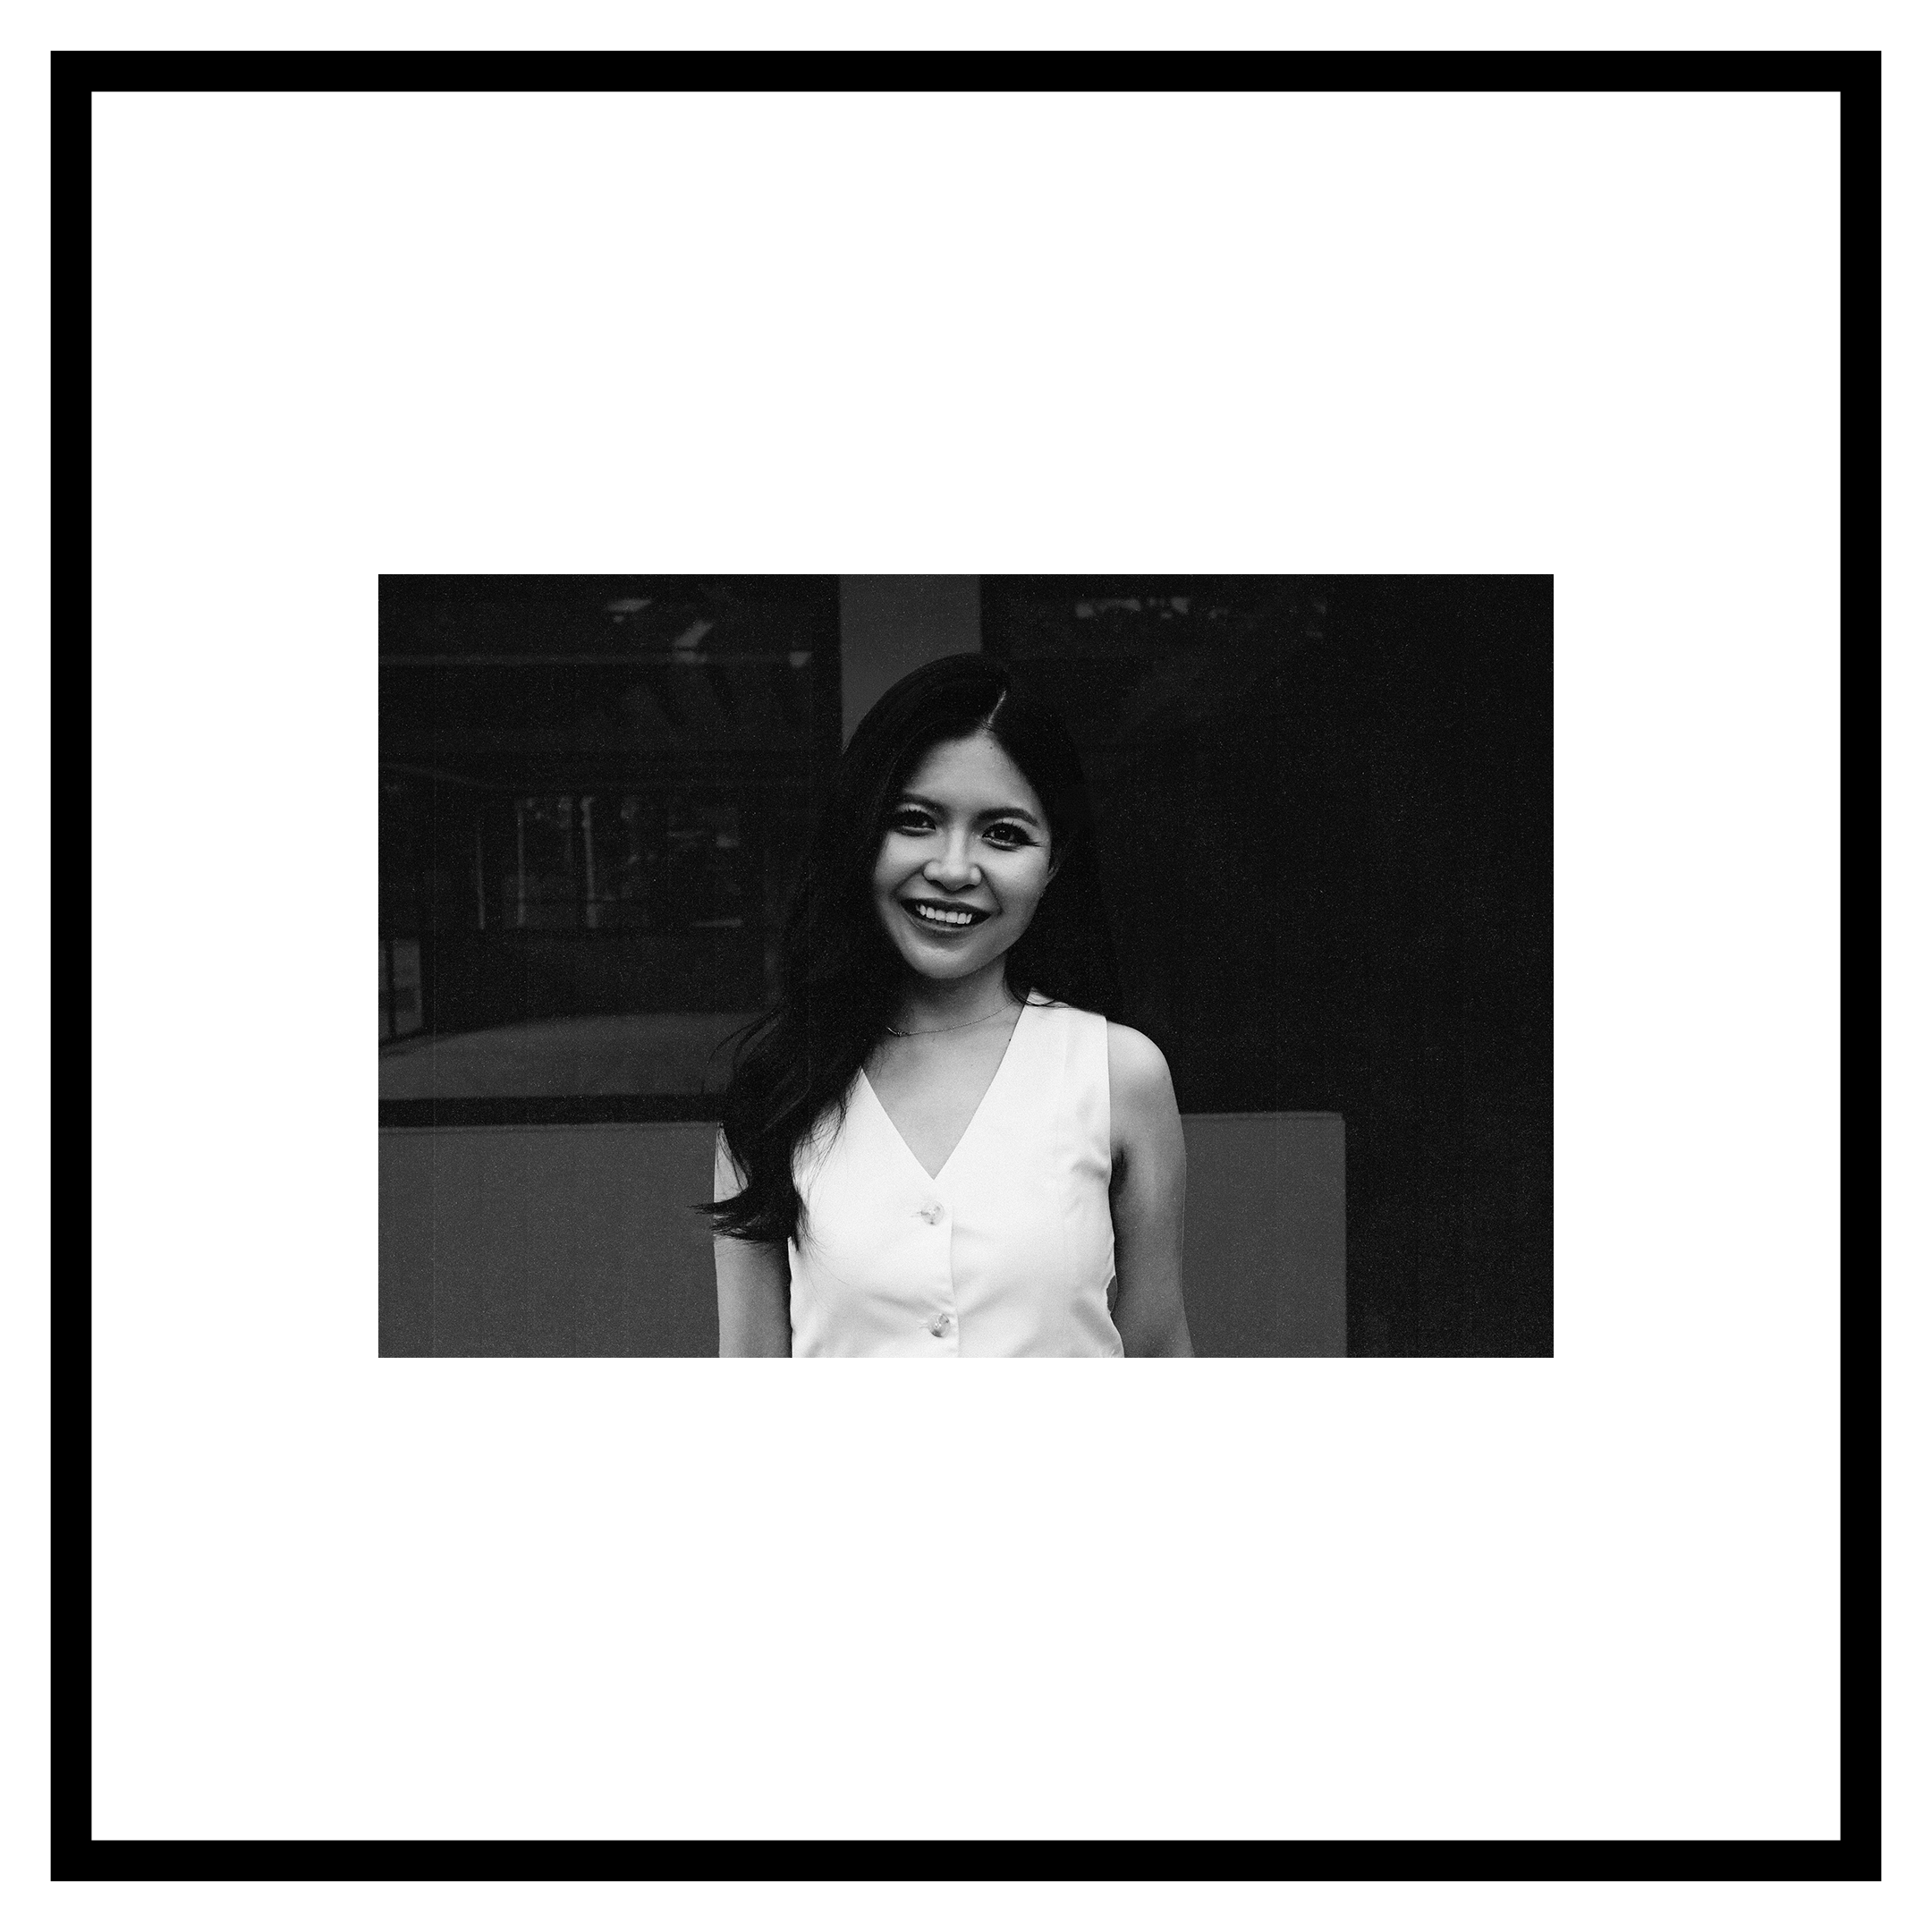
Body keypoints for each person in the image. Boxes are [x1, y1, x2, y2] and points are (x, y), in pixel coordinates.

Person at [706, 654, 1191, 1358]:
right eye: (915, 820)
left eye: (1004, 834)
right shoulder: (776, 1091)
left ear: (1053, 862)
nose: (954, 869)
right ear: (862, 834)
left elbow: (1159, 1346)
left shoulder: (1119, 1074)